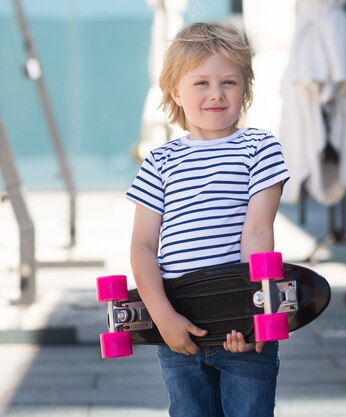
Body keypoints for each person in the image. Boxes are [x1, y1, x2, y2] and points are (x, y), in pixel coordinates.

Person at [126, 21, 290, 417]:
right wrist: (164, 319)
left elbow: (256, 231)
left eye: (229, 83)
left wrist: (250, 316)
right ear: (175, 92)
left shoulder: (260, 148)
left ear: (245, 89)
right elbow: (143, 245)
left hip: (241, 330)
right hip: (178, 328)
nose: (216, 94)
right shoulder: (160, 161)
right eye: (201, 83)